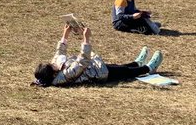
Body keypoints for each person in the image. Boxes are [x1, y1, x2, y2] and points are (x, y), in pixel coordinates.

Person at [32, 24, 163, 87]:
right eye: (52, 66)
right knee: (125, 72)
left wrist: (65, 34)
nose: (53, 63)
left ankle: (137, 63)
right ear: (53, 73)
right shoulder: (65, 75)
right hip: (99, 73)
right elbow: (82, 61)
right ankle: (149, 68)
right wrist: (86, 39)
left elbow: (59, 52)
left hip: (95, 66)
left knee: (120, 67)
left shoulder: (53, 68)